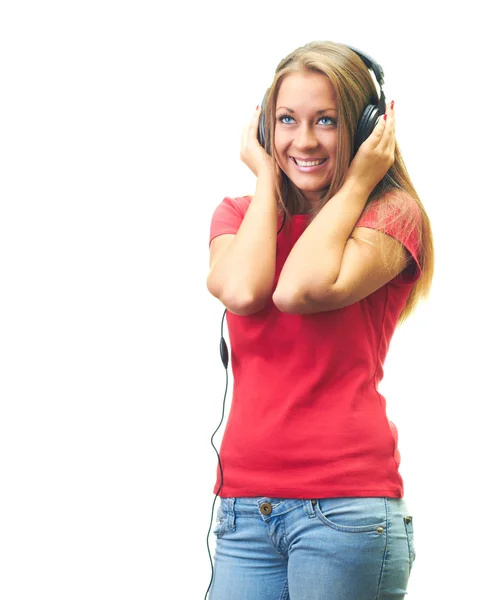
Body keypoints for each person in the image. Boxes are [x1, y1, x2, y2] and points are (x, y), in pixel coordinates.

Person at [205, 40, 434, 600]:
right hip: (243, 512)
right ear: (264, 127)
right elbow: (243, 289)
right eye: (286, 120)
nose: (303, 140)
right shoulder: (238, 213)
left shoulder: (389, 216)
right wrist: (265, 178)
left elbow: (299, 290)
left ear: (365, 126)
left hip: (345, 512)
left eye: (326, 121)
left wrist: (357, 182)